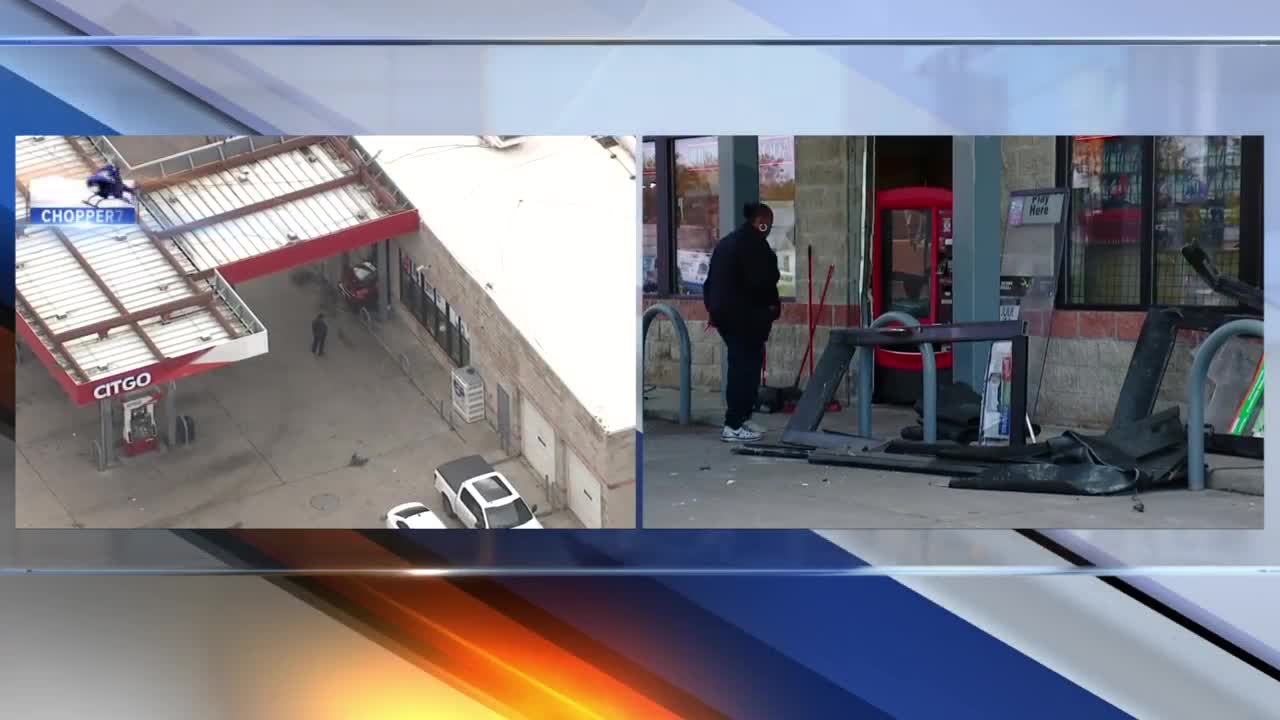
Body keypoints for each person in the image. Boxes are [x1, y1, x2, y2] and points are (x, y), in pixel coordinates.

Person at [703, 201, 781, 442]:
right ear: (759, 221)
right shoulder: (752, 245)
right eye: (768, 224)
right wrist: (769, 309)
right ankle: (734, 424)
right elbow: (763, 281)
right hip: (744, 317)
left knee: (746, 365)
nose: (769, 229)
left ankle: (742, 418)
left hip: (727, 315)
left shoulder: (729, 242)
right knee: (743, 368)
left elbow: (710, 282)